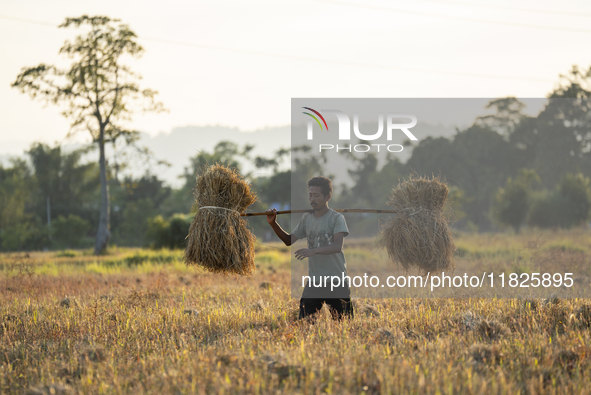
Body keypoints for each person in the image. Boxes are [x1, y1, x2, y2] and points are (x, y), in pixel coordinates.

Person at [265, 176, 354, 321]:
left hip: (336, 280)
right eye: (310, 195)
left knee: (344, 323)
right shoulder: (307, 218)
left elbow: (337, 246)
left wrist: (313, 251)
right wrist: (273, 223)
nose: (312, 199)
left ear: (327, 197)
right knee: (305, 321)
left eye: (316, 195)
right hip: (315, 280)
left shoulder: (336, 218)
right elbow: (289, 240)